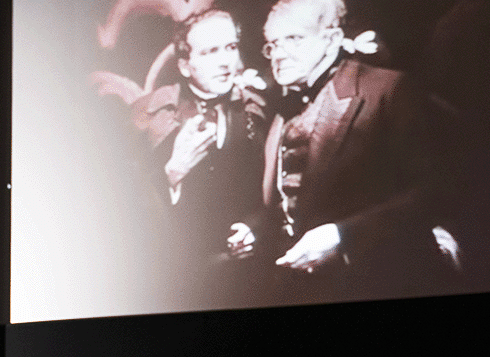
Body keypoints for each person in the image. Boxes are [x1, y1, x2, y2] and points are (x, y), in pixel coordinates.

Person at [228, 0, 459, 304]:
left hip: (375, 283)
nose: (279, 54)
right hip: (298, 289)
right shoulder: (282, 110)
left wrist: (341, 236)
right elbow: (290, 200)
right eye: (272, 44)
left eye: (294, 39)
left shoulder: (387, 89)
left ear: (333, 39)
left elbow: (431, 192)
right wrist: (254, 227)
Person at [129, 8, 271, 309]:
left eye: (231, 47)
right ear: (184, 65)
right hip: (173, 286)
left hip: (247, 282)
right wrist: (173, 173)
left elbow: (269, 191)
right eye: (209, 52)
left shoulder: (258, 109)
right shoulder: (148, 116)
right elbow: (120, 214)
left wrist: (253, 228)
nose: (225, 62)